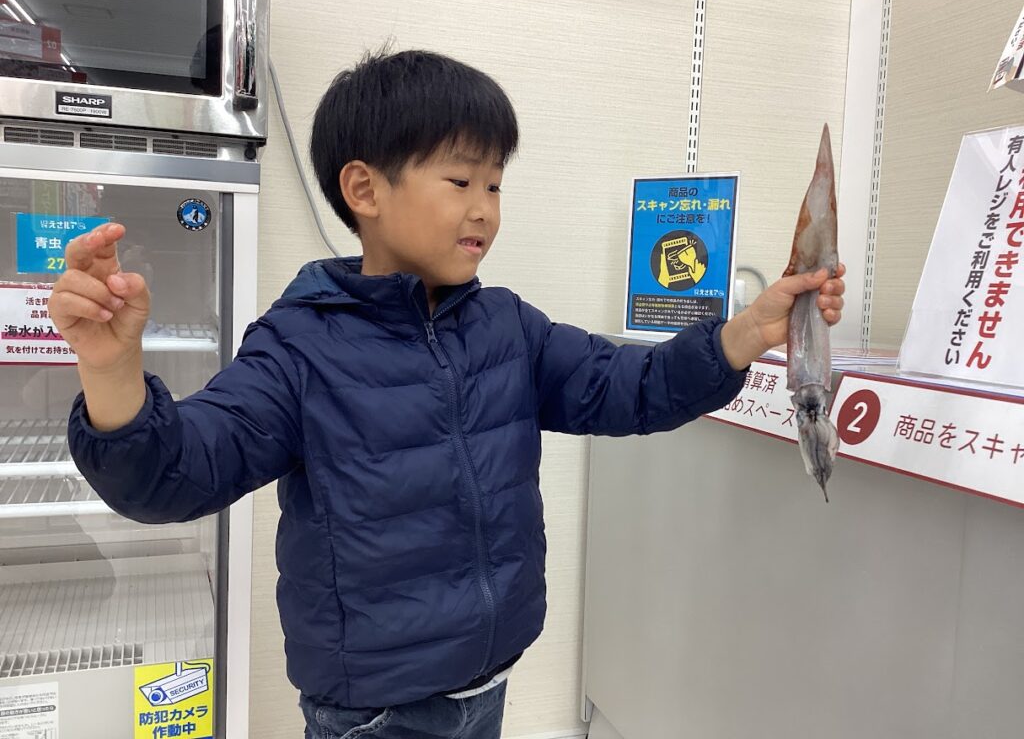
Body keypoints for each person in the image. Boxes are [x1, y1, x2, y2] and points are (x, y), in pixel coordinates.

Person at [49, 49, 845, 739]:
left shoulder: (508, 327)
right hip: (374, 712)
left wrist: (750, 329)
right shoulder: (299, 346)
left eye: (495, 185)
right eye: (461, 179)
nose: (483, 209)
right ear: (364, 189)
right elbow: (177, 476)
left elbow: (629, 387)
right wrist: (113, 372)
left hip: (485, 681)